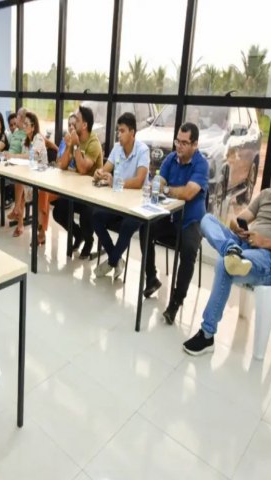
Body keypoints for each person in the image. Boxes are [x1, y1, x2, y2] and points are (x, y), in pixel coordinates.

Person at [183, 153, 271, 355]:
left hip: (266, 258)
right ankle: (231, 250)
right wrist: (237, 227)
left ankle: (207, 334)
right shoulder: (266, 195)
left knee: (224, 264)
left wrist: (265, 242)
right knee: (207, 220)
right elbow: (238, 219)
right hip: (244, 244)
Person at [141, 122, 208, 325]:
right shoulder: (171, 158)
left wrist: (166, 190)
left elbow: (188, 193)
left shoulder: (201, 164)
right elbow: (159, 182)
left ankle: (176, 302)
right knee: (145, 228)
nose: (179, 146)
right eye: (178, 141)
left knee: (188, 250)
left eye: (184, 143)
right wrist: (161, 186)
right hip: (171, 217)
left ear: (195, 144)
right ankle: (152, 278)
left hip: (191, 221)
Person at [92, 112, 150, 278]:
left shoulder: (143, 150)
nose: (119, 134)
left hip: (137, 207)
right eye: (118, 130)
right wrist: (99, 173)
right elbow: (106, 169)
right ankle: (116, 258)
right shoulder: (117, 148)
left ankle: (111, 261)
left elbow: (139, 181)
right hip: (118, 203)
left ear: (132, 133)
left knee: (127, 225)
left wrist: (116, 182)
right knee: (95, 216)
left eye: (122, 131)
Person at [51, 106, 103, 258]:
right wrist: (69, 146)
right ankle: (78, 234)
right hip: (76, 190)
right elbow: (62, 165)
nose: (74, 124)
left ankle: (89, 241)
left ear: (84, 125)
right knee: (58, 211)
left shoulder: (93, 143)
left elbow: (82, 169)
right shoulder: (74, 138)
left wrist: (76, 145)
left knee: (86, 214)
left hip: (92, 194)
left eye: (77, 121)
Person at [33, 113, 77, 245]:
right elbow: (58, 161)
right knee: (42, 191)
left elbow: (74, 168)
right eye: (69, 124)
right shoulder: (64, 141)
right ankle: (41, 230)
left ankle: (41, 230)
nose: (71, 127)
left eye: (74, 125)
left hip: (70, 185)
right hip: (58, 179)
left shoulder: (78, 144)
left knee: (43, 193)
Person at [6, 111, 47, 237]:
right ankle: (18, 214)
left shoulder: (38, 138)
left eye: (26, 124)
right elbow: (24, 159)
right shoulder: (26, 139)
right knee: (19, 180)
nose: (23, 126)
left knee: (20, 183)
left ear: (33, 127)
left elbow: (30, 156)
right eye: (23, 123)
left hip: (41, 178)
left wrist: (13, 156)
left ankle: (17, 213)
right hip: (29, 175)